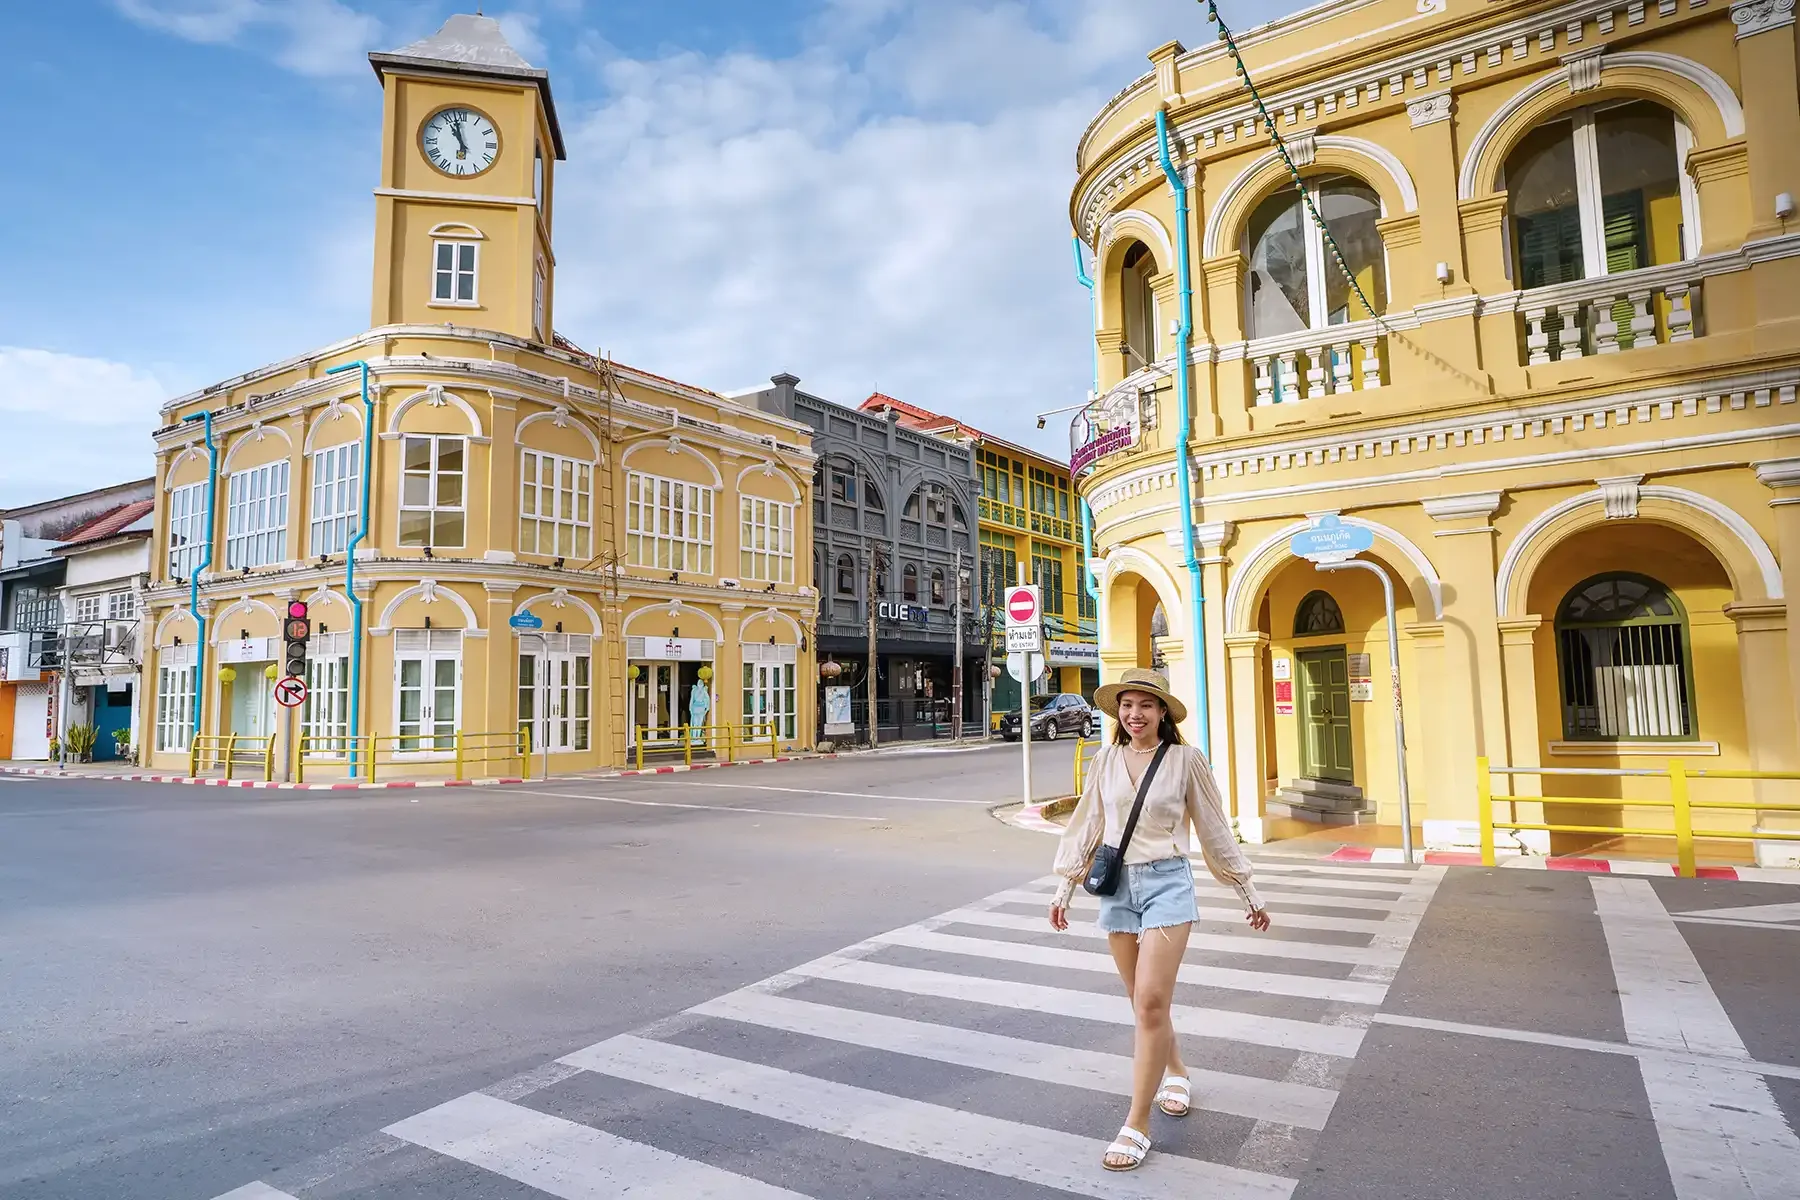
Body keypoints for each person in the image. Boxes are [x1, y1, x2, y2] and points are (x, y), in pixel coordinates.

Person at [1047, 667, 1270, 1172]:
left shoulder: (1186, 760)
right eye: (1127, 705)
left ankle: (1137, 1123)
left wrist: (1247, 891)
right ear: (1117, 712)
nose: (1135, 714)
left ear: (1162, 712)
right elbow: (1089, 824)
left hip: (1168, 882)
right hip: (1118, 885)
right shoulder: (1105, 760)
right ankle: (1177, 1070)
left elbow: (1214, 828)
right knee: (1141, 1002)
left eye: (1146, 705)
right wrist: (1065, 886)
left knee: (1150, 999)